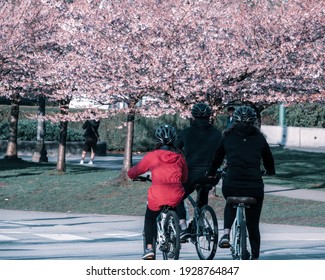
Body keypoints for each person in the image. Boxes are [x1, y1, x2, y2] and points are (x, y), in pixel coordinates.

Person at [206, 105, 275, 260]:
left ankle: (226, 234)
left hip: (232, 184)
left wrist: (211, 174)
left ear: (234, 121)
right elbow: (269, 160)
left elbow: (216, 159)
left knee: (230, 202)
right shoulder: (259, 139)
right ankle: (255, 257)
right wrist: (270, 171)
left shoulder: (227, 137)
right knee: (253, 224)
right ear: (253, 122)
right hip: (254, 186)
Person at [127, 124, 187, 260]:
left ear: (157, 140)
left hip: (158, 194)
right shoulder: (179, 157)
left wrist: (131, 175)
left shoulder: (152, 156)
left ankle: (149, 248)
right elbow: (184, 178)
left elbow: (134, 172)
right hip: (175, 193)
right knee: (177, 204)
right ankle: (178, 229)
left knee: (150, 219)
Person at [175, 103, 222, 239]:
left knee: (176, 197)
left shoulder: (187, 132)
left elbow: (175, 148)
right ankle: (199, 222)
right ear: (209, 117)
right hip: (211, 174)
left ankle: (184, 227)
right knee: (203, 193)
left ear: (193, 117)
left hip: (192, 172)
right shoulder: (217, 133)